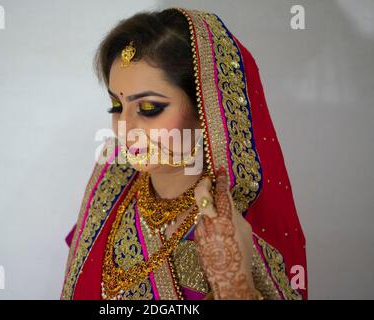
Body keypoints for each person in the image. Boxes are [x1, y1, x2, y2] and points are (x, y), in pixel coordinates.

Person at [60, 7, 307, 300]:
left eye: (150, 108)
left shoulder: (230, 228)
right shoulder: (111, 186)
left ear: (207, 110)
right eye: (116, 106)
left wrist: (232, 283)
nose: (124, 128)